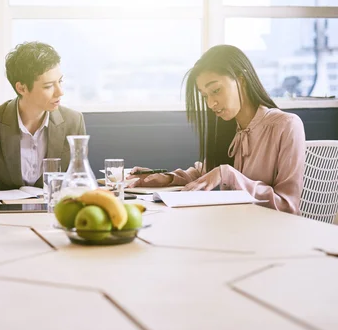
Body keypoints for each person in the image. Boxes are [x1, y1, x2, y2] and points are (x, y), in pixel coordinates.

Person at [130, 44, 306, 214]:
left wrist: (228, 174)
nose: (210, 104)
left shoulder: (286, 125)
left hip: (270, 235)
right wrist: (167, 178)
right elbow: (204, 173)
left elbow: (288, 207)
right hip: (232, 227)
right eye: (205, 96)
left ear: (241, 80)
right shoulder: (229, 127)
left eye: (216, 90)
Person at [0, 41, 86, 195]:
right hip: (2, 213)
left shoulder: (74, 121)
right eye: (48, 86)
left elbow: (80, 177)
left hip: (53, 211)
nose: (60, 92)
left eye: (60, 81)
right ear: (21, 88)